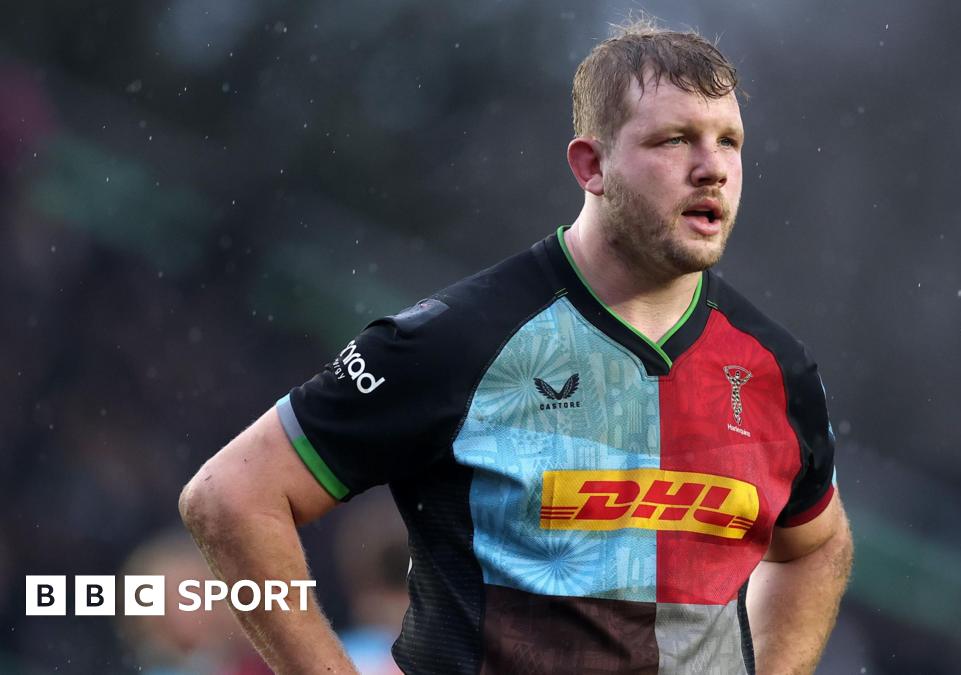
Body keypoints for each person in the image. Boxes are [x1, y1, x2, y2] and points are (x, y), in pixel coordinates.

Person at [179, 16, 853, 675]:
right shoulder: (457, 340)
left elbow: (816, 547)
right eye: (675, 140)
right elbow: (230, 496)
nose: (712, 169)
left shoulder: (777, 369)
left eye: (729, 141)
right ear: (591, 165)